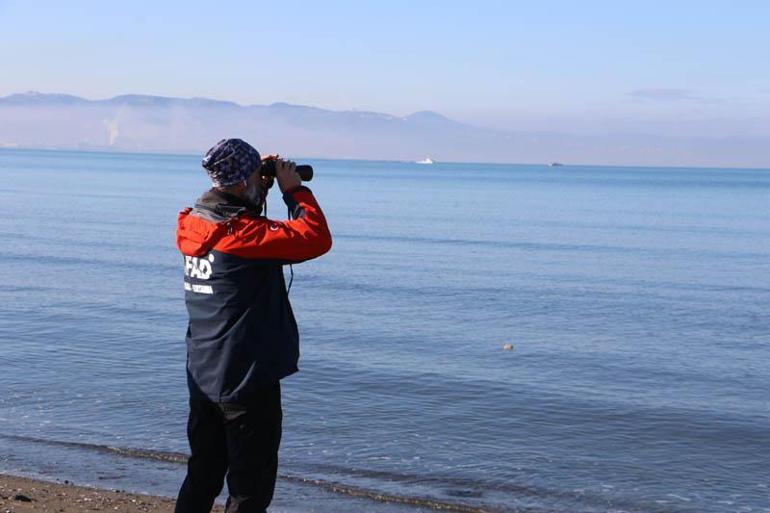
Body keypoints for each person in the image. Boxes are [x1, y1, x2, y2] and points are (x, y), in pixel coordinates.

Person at [174, 138, 332, 513]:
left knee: (203, 475)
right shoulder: (242, 236)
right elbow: (316, 238)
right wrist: (295, 192)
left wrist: (253, 183)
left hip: (205, 374)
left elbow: (235, 215)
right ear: (244, 180)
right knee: (250, 488)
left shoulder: (193, 224)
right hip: (247, 381)